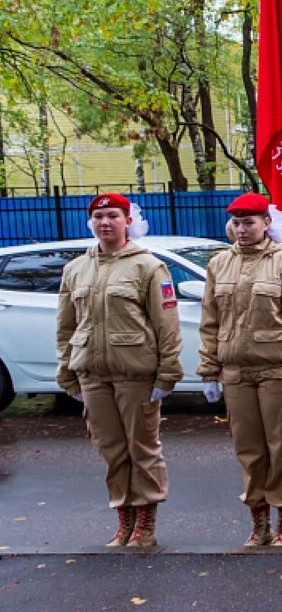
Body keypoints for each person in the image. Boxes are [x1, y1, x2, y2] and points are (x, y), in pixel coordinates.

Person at [56, 193, 183, 548]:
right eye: (98, 216)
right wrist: (66, 372)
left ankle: (145, 522)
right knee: (111, 449)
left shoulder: (149, 267)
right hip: (92, 373)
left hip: (135, 373)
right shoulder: (76, 269)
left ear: (128, 221)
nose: (104, 222)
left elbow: (166, 325)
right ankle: (123, 519)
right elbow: (66, 327)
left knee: (141, 447)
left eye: (112, 215)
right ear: (90, 223)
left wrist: (167, 373)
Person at [198, 192, 282, 546]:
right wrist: (209, 370)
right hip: (236, 373)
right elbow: (210, 323)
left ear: (266, 223)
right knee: (249, 449)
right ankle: (259, 521)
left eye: (249, 222)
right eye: (236, 223)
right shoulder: (219, 264)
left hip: (277, 371)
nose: (242, 229)